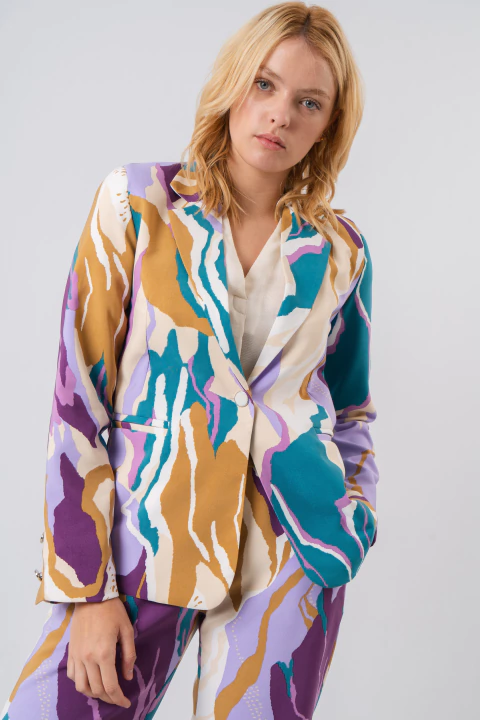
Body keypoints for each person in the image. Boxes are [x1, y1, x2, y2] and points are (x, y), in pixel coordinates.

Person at [1, 2, 380, 718]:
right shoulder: (137, 204)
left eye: (309, 103)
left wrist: (350, 520)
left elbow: (351, 406)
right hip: (148, 544)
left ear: (328, 125)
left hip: (291, 555)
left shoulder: (341, 251)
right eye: (264, 84)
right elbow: (78, 402)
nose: (280, 115)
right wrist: (86, 588)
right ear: (233, 83)